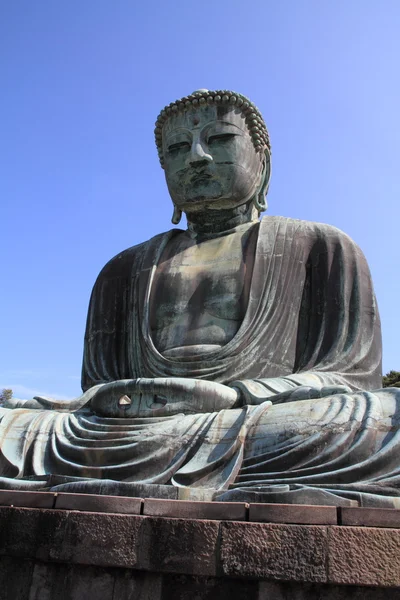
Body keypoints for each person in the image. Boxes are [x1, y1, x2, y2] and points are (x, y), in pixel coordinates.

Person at [1, 89, 399, 507]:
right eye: (176, 148)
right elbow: (97, 389)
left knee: (382, 420)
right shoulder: (123, 269)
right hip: (125, 431)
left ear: (262, 160)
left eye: (219, 139)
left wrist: (235, 396)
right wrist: (111, 400)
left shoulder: (322, 246)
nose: (195, 157)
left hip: (254, 422)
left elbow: (349, 380)